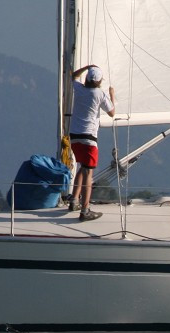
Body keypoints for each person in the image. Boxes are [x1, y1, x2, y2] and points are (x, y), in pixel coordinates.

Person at [68, 65, 115, 222]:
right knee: (89, 174)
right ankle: (85, 209)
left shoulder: (79, 89)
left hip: (74, 136)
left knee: (82, 166)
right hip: (89, 138)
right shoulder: (100, 94)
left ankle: (74, 201)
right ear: (100, 81)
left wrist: (87, 67)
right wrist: (112, 95)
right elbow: (112, 112)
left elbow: (73, 76)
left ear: (87, 79)